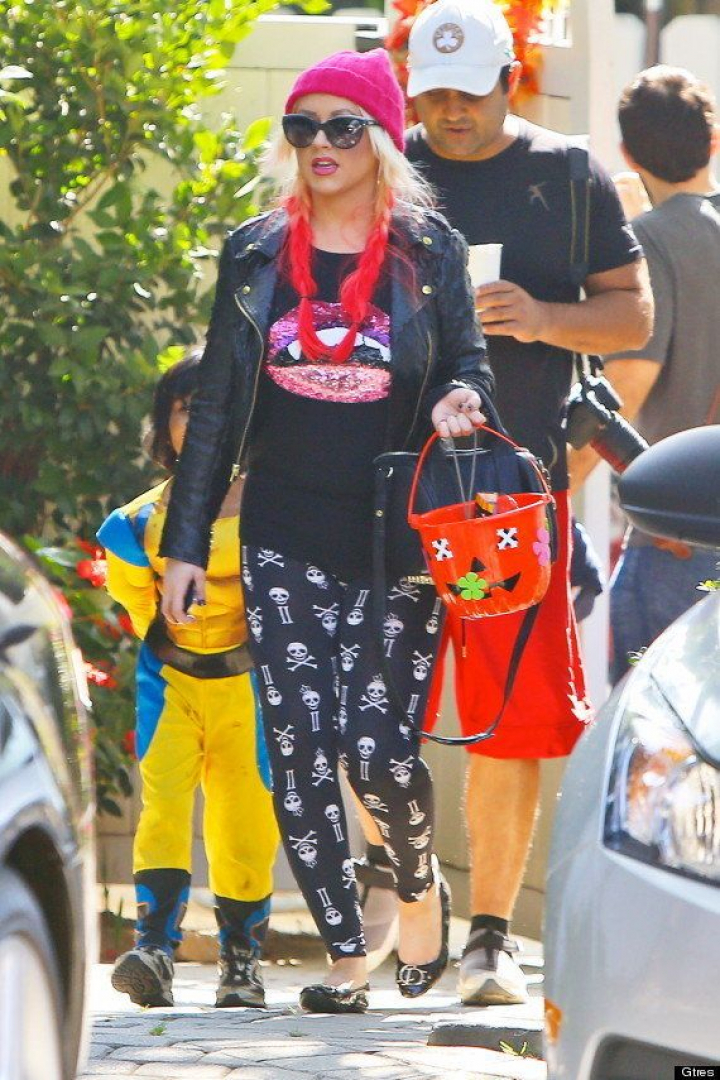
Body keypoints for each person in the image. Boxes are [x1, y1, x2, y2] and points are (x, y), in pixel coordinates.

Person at [158, 47, 495, 1014]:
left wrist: (463, 395)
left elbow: (468, 360)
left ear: (381, 138)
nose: (320, 143)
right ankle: (347, 958)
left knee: (377, 752)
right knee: (301, 751)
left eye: (342, 126)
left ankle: (418, 885)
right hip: (282, 529)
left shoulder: (430, 250)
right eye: (301, 126)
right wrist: (186, 544)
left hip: (398, 541)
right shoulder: (255, 252)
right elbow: (217, 407)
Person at [354, 0, 652, 1008]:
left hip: (512, 501)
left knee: (510, 723)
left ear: (510, 80)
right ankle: (410, 886)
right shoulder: (380, 165)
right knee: (362, 711)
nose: (449, 112)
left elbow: (634, 314)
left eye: (469, 93)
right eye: (432, 92)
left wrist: (542, 317)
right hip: (388, 487)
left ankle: (490, 939)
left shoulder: (566, 174)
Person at [97, 353, 279, 1009]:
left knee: (244, 819)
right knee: (164, 808)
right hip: (169, 685)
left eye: (221, 407)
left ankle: (241, 963)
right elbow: (139, 606)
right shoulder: (136, 525)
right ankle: (153, 949)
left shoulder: (275, 512)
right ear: (163, 427)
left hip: (248, 690)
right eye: (187, 408)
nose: (204, 421)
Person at [569, 65, 720, 683]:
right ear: (714, 141)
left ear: (627, 153)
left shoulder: (653, 239)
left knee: (652, 719)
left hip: (677, 535)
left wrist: (558, 485)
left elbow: (628, 384)